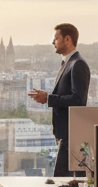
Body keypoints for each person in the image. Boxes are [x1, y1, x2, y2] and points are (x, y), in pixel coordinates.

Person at [28, 23, 90, 177]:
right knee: (69, 182)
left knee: (61, 181)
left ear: (67, 39)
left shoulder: (77, 64)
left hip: (71, 134)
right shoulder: (68, 63)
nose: (52, 42)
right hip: (64, 133)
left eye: (56, 38)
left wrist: (49, 98)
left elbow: (78, 100)